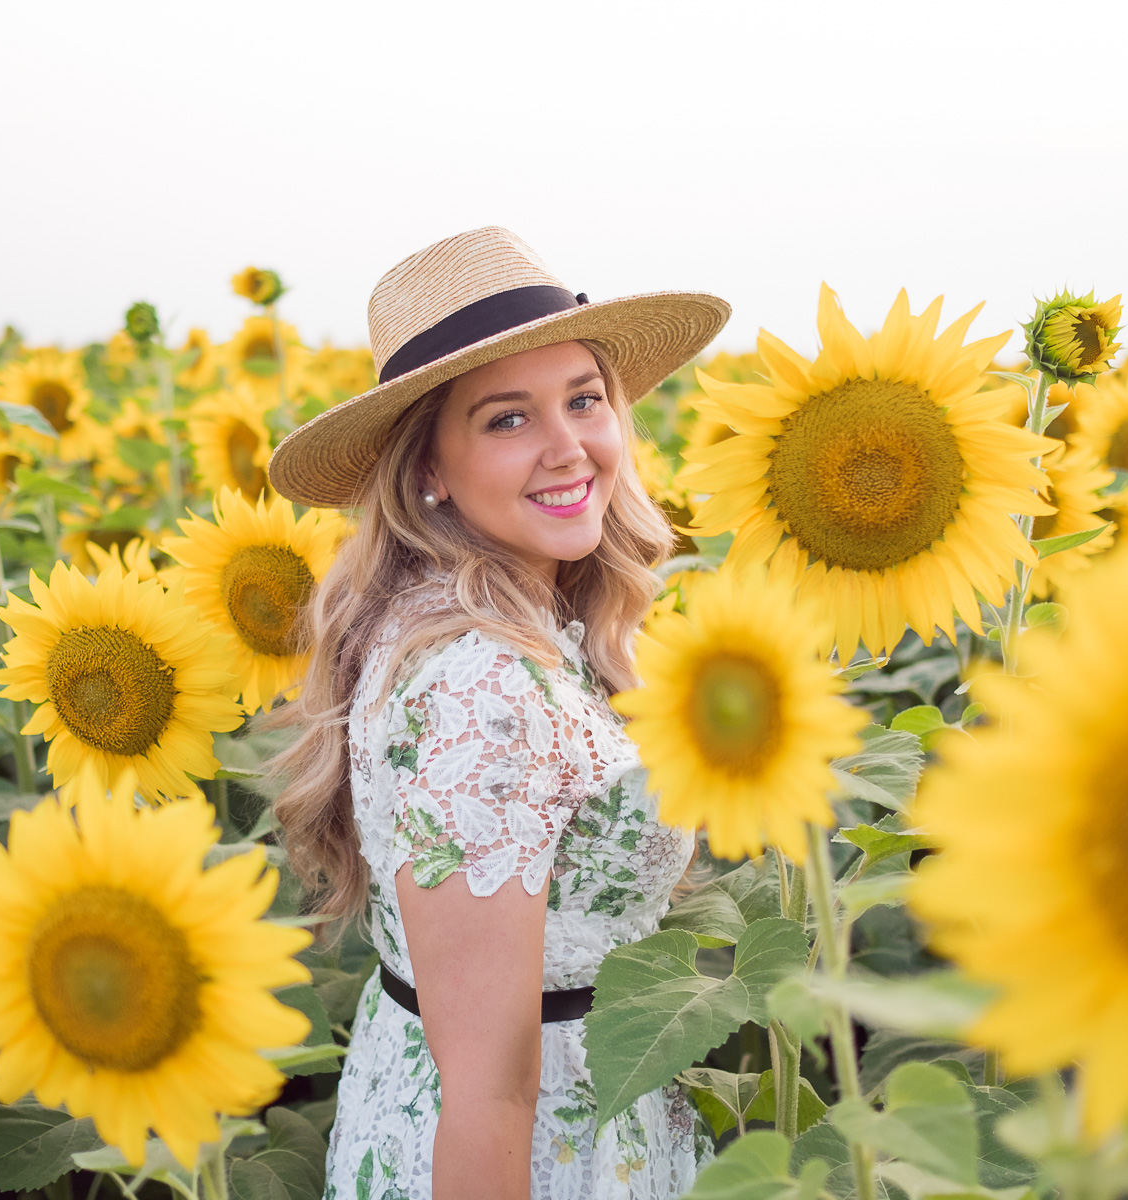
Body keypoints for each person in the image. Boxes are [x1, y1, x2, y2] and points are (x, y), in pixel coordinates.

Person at [265, 227, 730, 1199]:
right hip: (540, 1153)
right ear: (429, 465)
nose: (569, 448)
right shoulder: (487, 689)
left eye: (584, 400)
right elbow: (492, 1091)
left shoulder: (478, 613)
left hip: (452, 1107)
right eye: (507, 419)